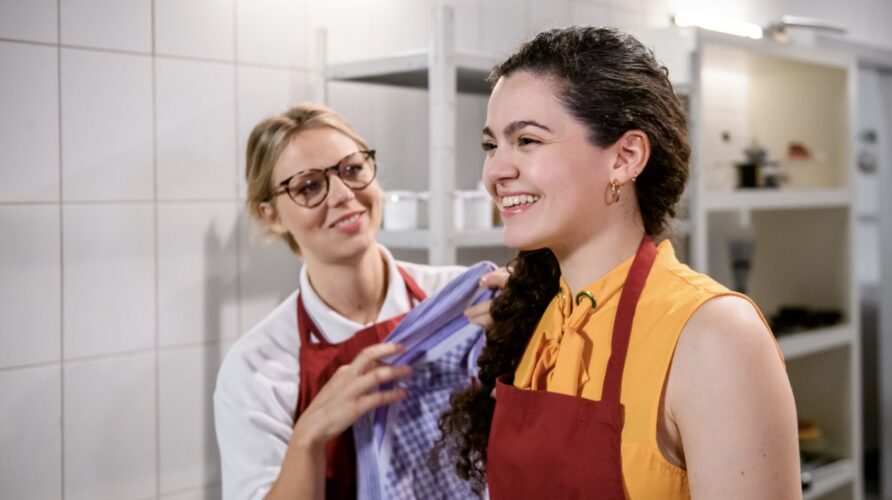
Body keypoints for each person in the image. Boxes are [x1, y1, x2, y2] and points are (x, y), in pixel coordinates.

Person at [437, 27, 801, 499]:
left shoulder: (715, 335)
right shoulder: (538, 323)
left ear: (625, 157)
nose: (494, 171)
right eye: (492, 146)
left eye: (526, 140)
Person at [214, 102, 502, 500]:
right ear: (272, 216)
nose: (344, 195)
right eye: (309, 187)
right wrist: (310, 436)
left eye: (352, 169)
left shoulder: (456, 299)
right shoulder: (258, 366)